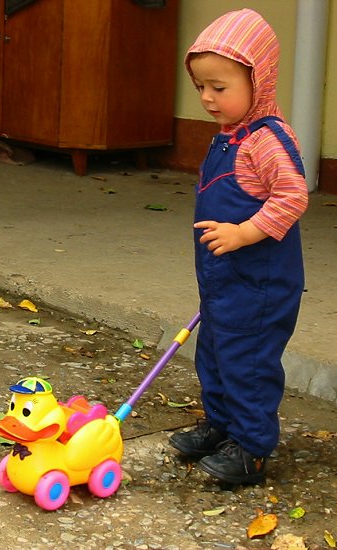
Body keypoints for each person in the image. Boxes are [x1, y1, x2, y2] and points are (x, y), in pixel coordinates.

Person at [169, 8, 308, 485]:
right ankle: (222, 426)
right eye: (201, 86)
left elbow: (293, 196)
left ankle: (250, 447)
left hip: (259, 281)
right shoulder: (231, 135)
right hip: (223, 278)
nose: (207, 97)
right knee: (214, 351)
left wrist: (244, 233)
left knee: (247, 361)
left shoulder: (267, 140)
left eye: (220, 88)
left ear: (259, 80)